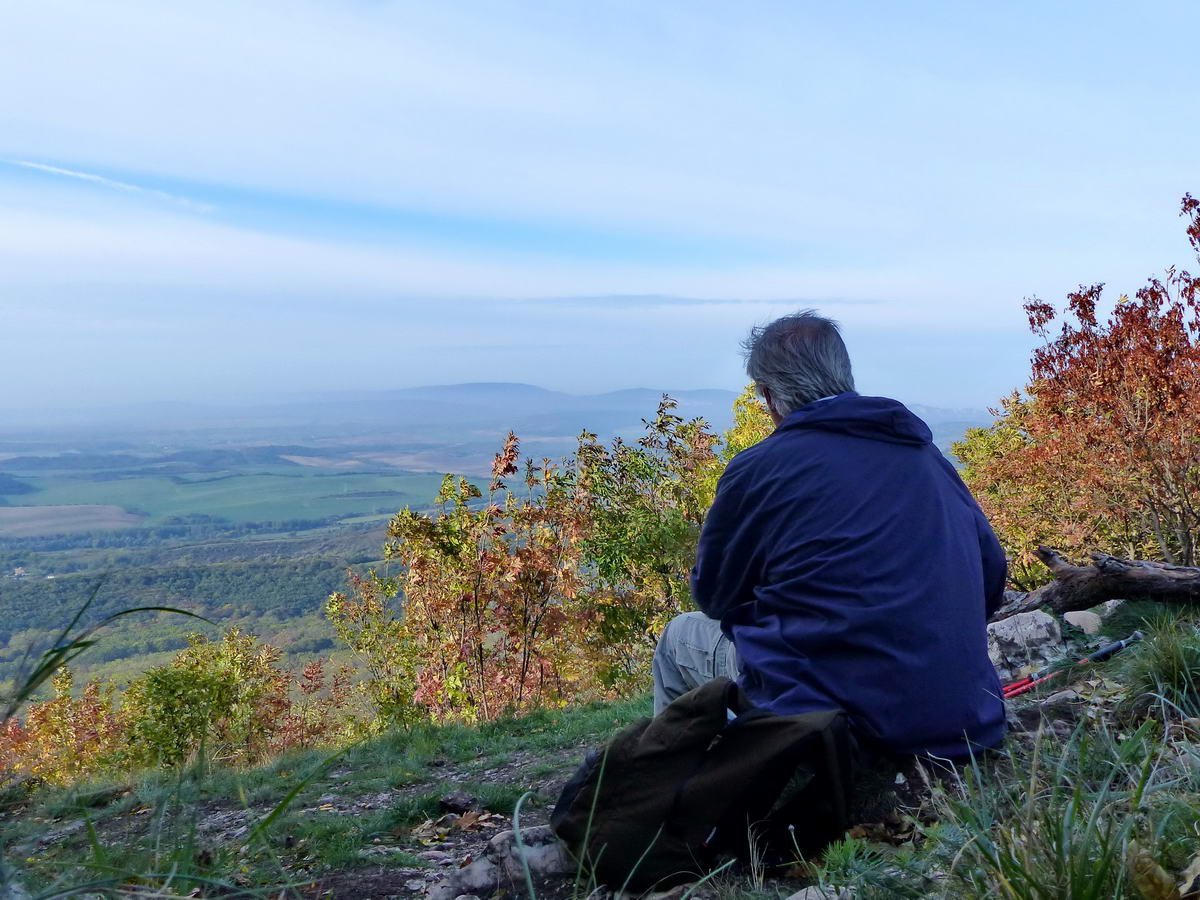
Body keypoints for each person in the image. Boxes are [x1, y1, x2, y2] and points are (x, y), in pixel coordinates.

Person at [652, 311, 1007, 759]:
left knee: (679, 635)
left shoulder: (760, 469)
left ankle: (690, 786)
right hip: (963, 721)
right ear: (845, 376)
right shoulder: (924, 456)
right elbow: (991, 578)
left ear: (769, 396)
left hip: (836, 727)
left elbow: (716, 597)